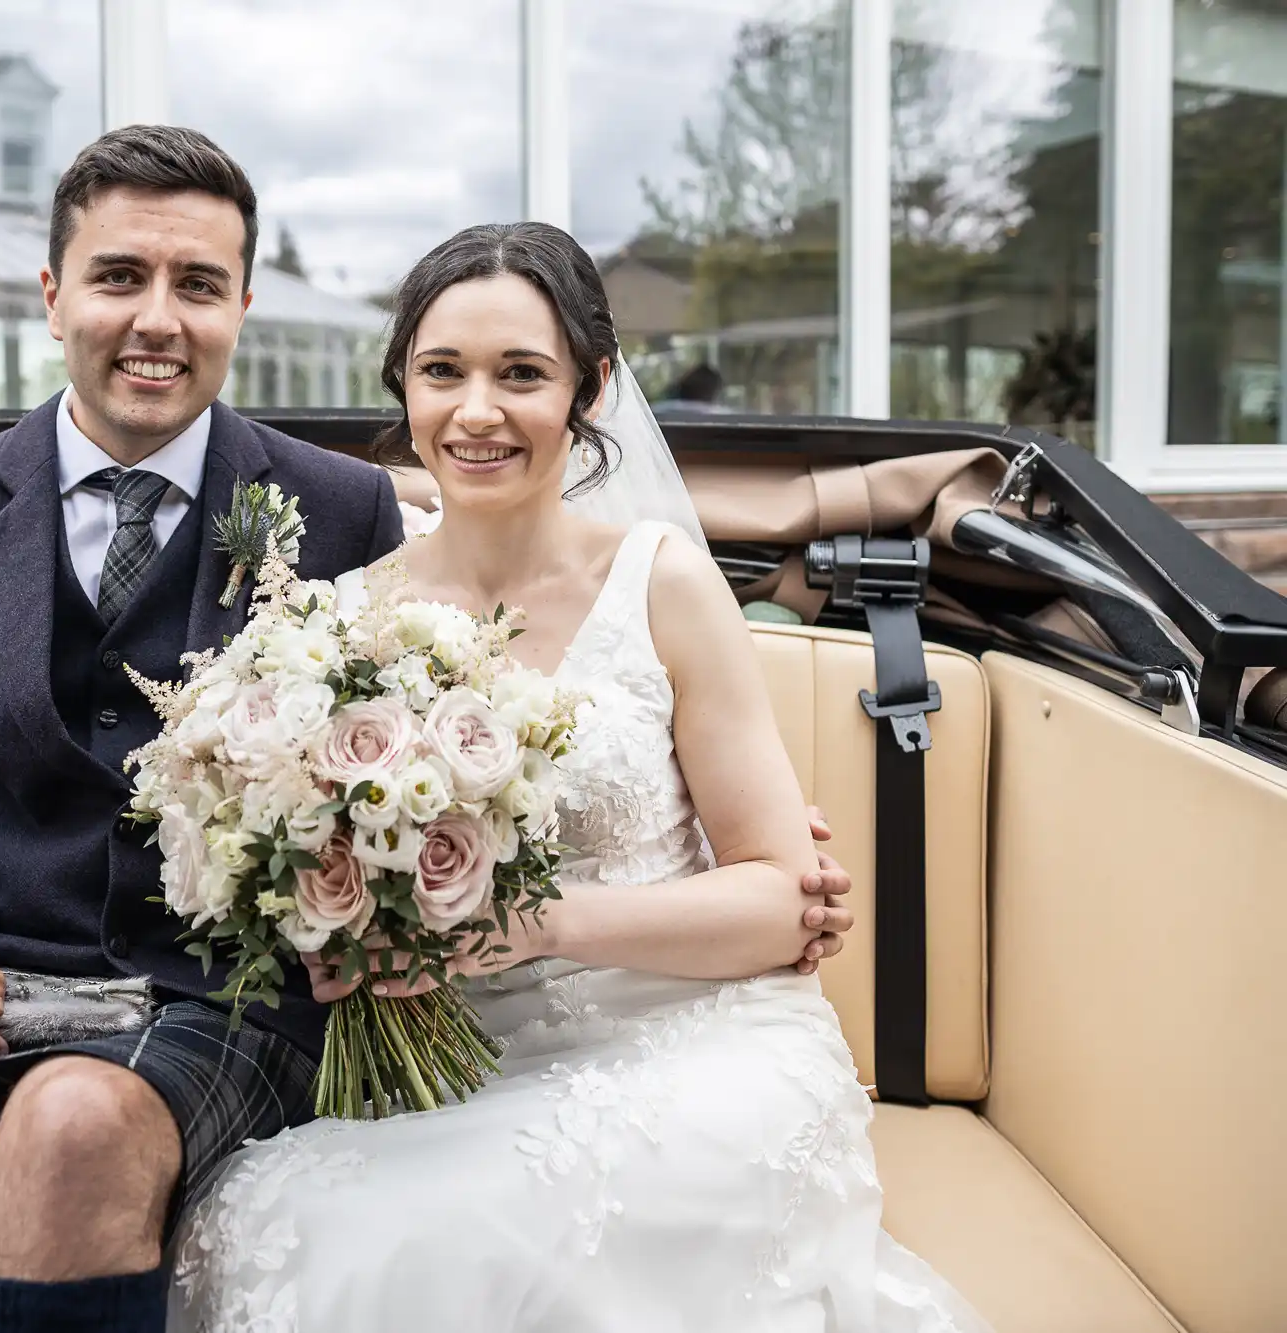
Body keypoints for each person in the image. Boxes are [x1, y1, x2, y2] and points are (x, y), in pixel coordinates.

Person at [0, 129, 855, 1333]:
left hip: (214, 1009)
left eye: (199, 282)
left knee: (71, 1124)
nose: (157, 320)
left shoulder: (339, 515)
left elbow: (506, 608)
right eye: (119, 275)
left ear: (242, 304)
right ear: (53, 292)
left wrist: (725, 867)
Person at [167, 223, 987, 1332]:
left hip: (699, 1045)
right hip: (461, 1069)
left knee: (430, 1241)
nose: (475, 412)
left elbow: (780, 899)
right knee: (281, 1219)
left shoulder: (663, 583)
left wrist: (540, 921)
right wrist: (342, 936)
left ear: (589, 389)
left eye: (522, 375)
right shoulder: (340, 622)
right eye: (440, 371)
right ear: (402, 385)